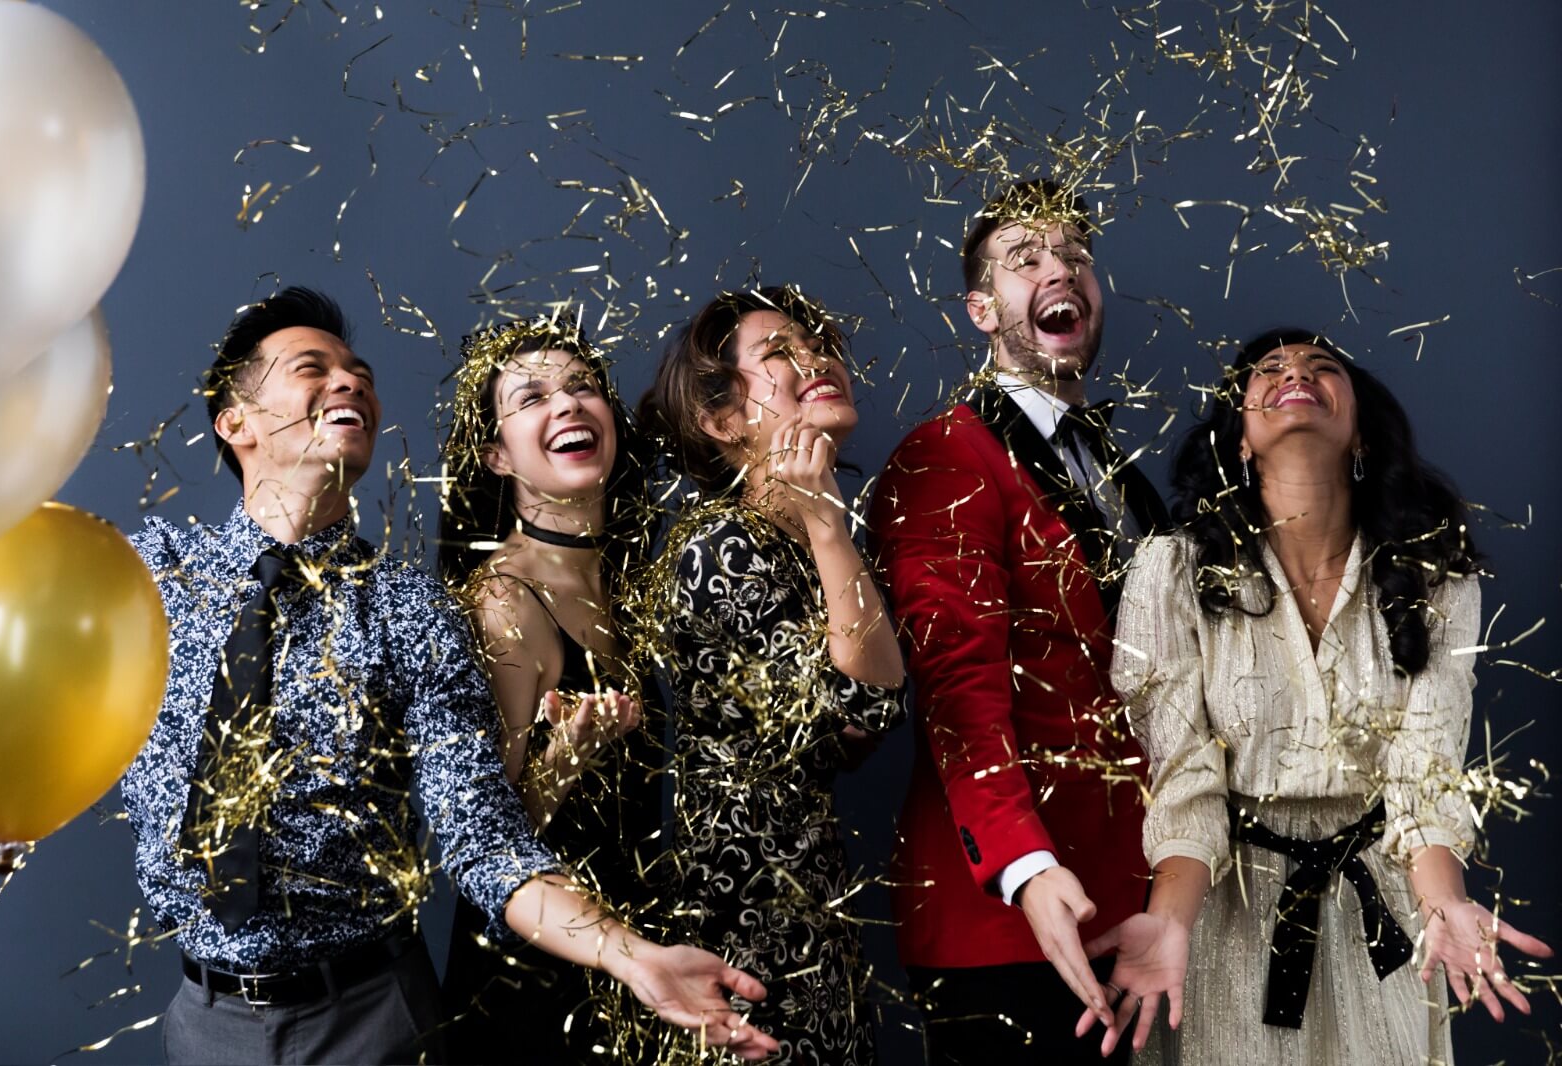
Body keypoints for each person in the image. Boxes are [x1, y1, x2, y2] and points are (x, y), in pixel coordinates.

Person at [119, 286, 778, 1065]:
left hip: (373, 1018)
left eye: (360, 373)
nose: (351, 382)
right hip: (203, 1020)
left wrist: (629, 955)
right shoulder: (147, 575)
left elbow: (483, 835)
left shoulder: (410, 613)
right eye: (313, 367)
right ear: (237, 423)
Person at [1081, 329, 1554, 1063]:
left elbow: (1424, 775)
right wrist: (1170, 921)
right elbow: (1183, 779)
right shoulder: (1169, 572)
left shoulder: (1437, 574)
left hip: (1390, 919)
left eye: (1321, 366)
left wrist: (1445, 904)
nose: (1293, 372)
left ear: (1360, 429)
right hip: (1225, 915)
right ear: (1239, 439)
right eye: (1267, 369)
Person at [867, 178, 1169, 1064]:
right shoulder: (944, 454)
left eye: (1074, 255)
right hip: (1007, 915)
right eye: (1024, 259)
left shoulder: (1116, 467)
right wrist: (1023, 869)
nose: (1057, 270)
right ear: (981, 309)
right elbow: (956, 690)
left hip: (1134, 904)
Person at [635, 286, 908, 1063]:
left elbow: (860, 717)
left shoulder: (808, 542)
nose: (817, 360)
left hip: (813, 913)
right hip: (744, 935)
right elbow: (866, 708)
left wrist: (824, 524)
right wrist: (825, 518)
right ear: (723, 421)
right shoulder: (719, 548)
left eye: (819, 345)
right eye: (781, 353)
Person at [436, 312, 662, 1063]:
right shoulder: (503, 601)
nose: (566, 404)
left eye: (581, 387)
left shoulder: (637, 578)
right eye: (531, 397)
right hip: (538, 988)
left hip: (646, 946)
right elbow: (484, 845)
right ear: (497, 455)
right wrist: (568, 752)